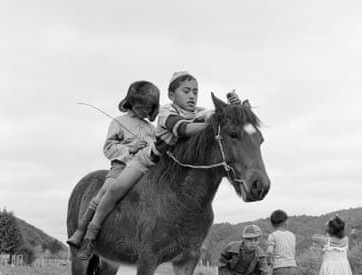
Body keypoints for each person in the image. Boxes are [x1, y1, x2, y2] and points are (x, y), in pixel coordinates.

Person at [74, 71, 240, 260]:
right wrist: (132, 148)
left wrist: (233, 106)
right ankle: (89, 234)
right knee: (114, 188)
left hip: (164, 168)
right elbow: (183, 128)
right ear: (171, 96)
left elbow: (217, 115)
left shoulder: (159, 125)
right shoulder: (164, 113)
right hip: (143, 161)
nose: (192, 95)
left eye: (195, 91)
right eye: (187, 91)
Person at [67, 80, 160, 254]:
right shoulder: (119, 122)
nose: (143, 110)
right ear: (131, 102)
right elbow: (108, 148)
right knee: (105, 191)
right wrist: (130, 148)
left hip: (145, 169)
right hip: (121, 166)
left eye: (148, 107)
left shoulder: (151, 129)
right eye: (140, 106)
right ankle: (84, 232)